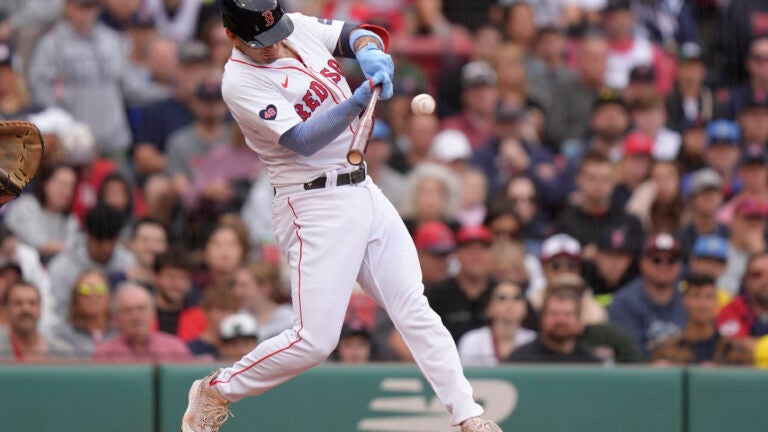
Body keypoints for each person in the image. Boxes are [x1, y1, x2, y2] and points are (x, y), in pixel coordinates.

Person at [181, 2, 500, 432]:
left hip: (362, 188)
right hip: (312, 203)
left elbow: (356, 33)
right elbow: (303, 139)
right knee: (314, 340)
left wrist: (370, 51)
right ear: (232, 36)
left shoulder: (292, 29)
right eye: (262, 41)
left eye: (277, 34)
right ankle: (218, 388)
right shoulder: (238, 81)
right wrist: (356, 101)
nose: (274, 46)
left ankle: (468, 416)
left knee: (412, 305)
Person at [93, 281, 193, 362]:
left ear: (153, 314)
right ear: (115, 318)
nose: (136, 316)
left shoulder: (175, 348)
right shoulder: (105, 355)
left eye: (141, 308)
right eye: (127, 310)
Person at [506, 286, 600, 364]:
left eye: (568, 314)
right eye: (554, 314)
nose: (561, 320)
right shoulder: (520, 360)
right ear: (542, 318)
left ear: (579, 320)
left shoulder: (590, 362)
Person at [457, 280, 535, 366]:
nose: (510, 303)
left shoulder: (534, 340)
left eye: (517, 298)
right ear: (488, 308)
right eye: (502, 298)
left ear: (526, 308)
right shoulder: (472, 340)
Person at [0, 281, 75, 361]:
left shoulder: (63, 353)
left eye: (32, 303)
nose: (26, 309)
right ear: (6, 310)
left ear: (40, 309)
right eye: (18, 303)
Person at [51, 269, 117, 359]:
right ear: (75, 298)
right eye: (84, 290)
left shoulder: (121, 332)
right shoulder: (62, 335)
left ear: (109, 295)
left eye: (100, 289)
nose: (92, 295)